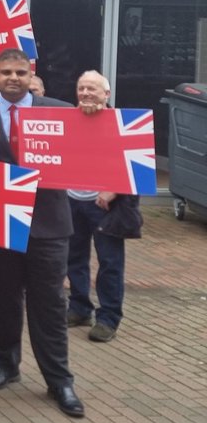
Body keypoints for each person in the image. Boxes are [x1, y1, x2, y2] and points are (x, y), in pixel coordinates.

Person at [0, 48, 84, 418]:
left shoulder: (61, 111)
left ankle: (59, 379)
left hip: (48, 225)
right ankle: (6, 363)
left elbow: (97, 141)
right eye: (5, 73)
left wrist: (94, 111)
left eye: (20, 72)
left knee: (48, 304)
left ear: (31, 73)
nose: (12, 78)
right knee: (3, 299)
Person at [66, 71, 141, 344]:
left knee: (109, 263)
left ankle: (108, 318)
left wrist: (115, 188)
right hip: (72, 200)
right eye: (81, 88)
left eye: (92, 89)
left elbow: (138, 162)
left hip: (104, 206)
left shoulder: (123, 123)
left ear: (106, 95)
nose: (86, 93)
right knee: (74, 258)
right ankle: (79, 308)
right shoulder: (66, 120)